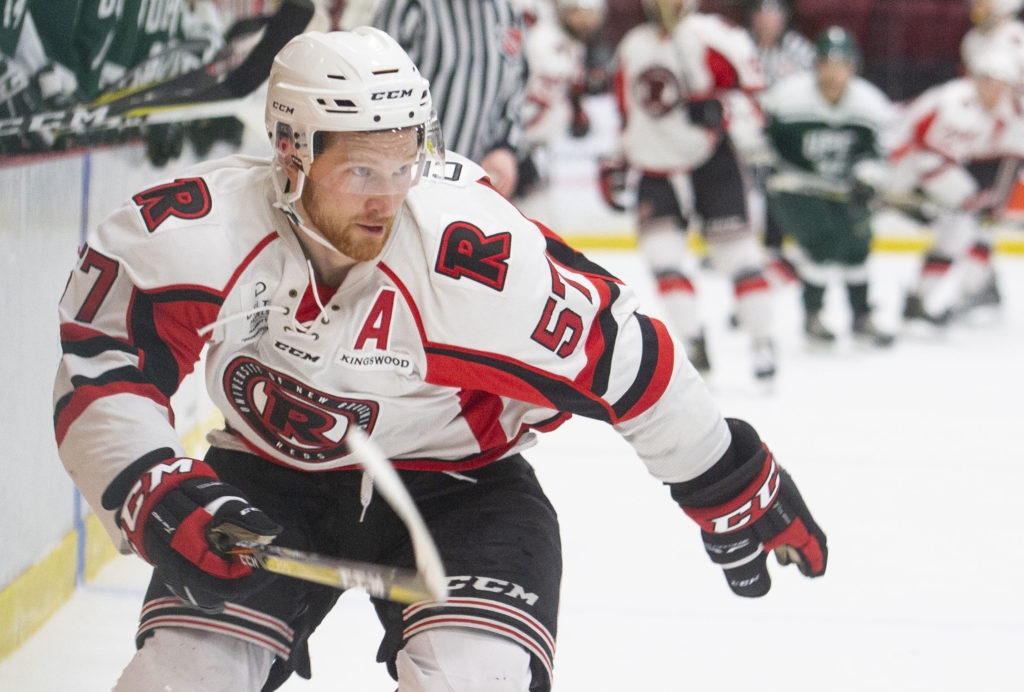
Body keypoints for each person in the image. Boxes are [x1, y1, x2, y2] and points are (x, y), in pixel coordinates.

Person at [53, 27, 827, 691]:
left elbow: (629, 360)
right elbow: (103, 359)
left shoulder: (473, 257)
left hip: (462, 495)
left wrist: (728, 480)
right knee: (180, 678)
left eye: (405, 164)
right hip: (266, 480)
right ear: (291, 156)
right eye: (361, 170)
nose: (388, 201)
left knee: (475, 678)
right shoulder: (200, 232)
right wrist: (155, 488)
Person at [599, 0, 776, 380]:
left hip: (710, 161)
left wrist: (721, 109)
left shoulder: (717, 37)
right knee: (662, 257)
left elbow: (756, 100)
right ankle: (694, 340)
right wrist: (618, 160)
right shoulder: (633, 45)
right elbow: (628, 115)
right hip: (655, 168)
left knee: (737, 257)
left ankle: (762, 340)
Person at [760, 26, 897, 347]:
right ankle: (813, 315)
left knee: (857, 245)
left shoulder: (870, 104)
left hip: (843, 189)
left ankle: (861, 316)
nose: (834, 73)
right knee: (823, 243)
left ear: (853, 66)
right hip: (795, 187)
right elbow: (759, 140)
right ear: (817, 65)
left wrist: (867, 177)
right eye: (827, 64)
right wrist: (768, 164)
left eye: (841, 64)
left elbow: (879, 154)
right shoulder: (786, 98)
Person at [891, 49, 1023, 325]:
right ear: (975, 80)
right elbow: (925, 156)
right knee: (961, 227)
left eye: (1000, 85)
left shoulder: (1008, 111)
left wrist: (993, 200)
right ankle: (957, 291)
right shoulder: (954, 102)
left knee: (960, 232)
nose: (993, 91)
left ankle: (924, 296)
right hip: (905, 166)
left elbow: (1011, 156)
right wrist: (969, 198)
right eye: (988, 82)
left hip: (935, 168)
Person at [371, 0, 528, 197]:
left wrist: (504, 148)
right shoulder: (409, 6)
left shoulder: (505, 13)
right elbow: (376, 85)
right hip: (402, 181)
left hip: (469, 186)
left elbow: (515, 89)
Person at [513, 0, 605, 198]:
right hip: (519, 143)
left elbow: (569, 90)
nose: (587, 22)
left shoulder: (574, 45)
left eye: (592, 15)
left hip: (541, 145)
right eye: (581, 13)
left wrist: (576, 109)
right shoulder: (541, 41)